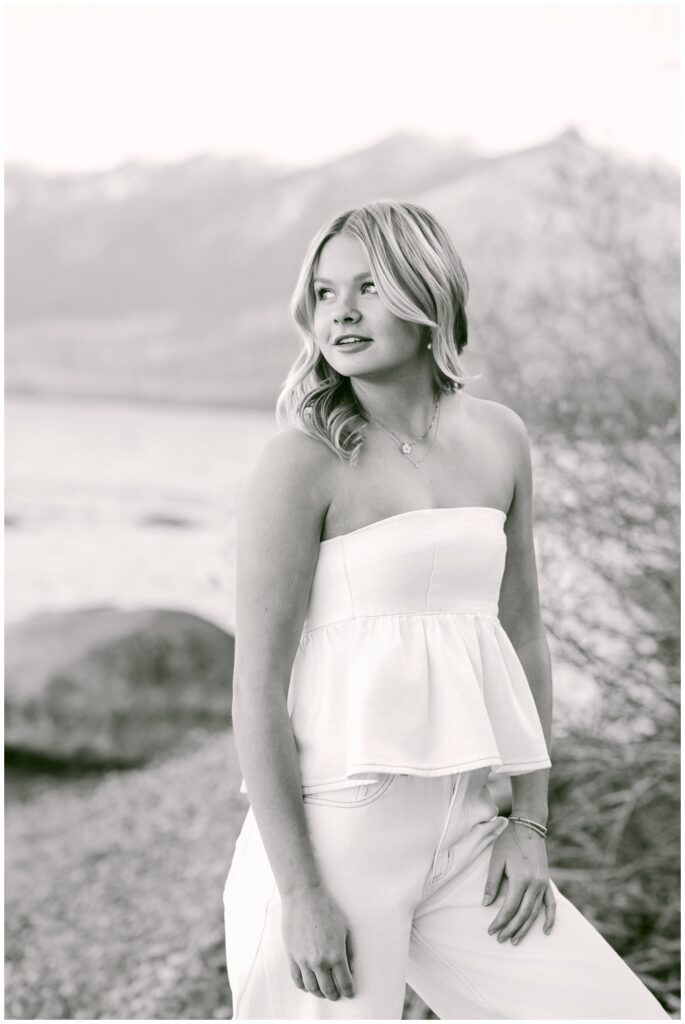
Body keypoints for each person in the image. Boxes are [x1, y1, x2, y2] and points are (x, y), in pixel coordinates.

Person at [222, 200, 669, 1020]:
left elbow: (522, 630)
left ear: (427, 296)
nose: (341, 313)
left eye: (367, 287)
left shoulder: (500, 438)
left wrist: (529, 825)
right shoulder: (303, 460)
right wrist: (301, 894)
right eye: (323, 293)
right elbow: (255, 686)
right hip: (334, 842)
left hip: (469, 830)